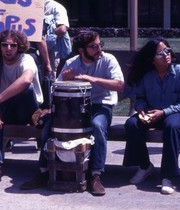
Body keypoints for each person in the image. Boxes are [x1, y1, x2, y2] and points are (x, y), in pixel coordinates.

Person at [21, 30, 124, 196]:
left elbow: (120, 85)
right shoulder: (71, 62)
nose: (99, 49)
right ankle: (43, 171)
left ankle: (96, 175)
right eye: (94, 47)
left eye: (100, 45)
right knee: (49, 126)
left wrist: (92, 79)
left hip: (100, 105)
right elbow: (56, 92)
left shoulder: (108, 60)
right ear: (82, 50)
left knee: (97, 126)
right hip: (74, 107)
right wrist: (66, 80)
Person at [122, 38, 180, 195]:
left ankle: (168, 176)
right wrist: (140, 109)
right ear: (152, 59)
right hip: (151, 112)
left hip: (176, 113)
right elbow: (139, 97)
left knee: (172, 126)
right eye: (161, 53)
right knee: (132, 124)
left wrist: (164, 112)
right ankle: (144, 166)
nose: (166, 55)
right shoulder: (147, 75)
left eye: (167, 50)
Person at [0, 29, 43, 188]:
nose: (8, 49)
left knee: (26, 89)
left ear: (19, 46)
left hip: (28, 110)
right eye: (4, 45)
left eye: (12, 45)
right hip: (3, 108)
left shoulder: (27, 59)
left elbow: (26, 81)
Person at [44, 0, 72, 79]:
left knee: (49, 78)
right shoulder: (31, 6)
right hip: (32, 50)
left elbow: (62, 29)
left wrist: (45, 41)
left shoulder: (56, 7)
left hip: (50, 52)